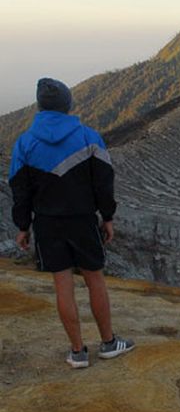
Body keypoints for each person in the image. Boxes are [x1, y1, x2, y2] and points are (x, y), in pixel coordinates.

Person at [8, 78, 134, 369]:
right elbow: (104, 183)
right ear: (68, 105)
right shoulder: (88, 137)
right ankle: (109, 343)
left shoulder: (24, 143)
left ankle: (77, 352)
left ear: (40, 106)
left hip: (47, 223)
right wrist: (108, 216)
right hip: (82, 220)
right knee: (95, 280)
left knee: (62, 284)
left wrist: (23, 225)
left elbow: (20, 189)